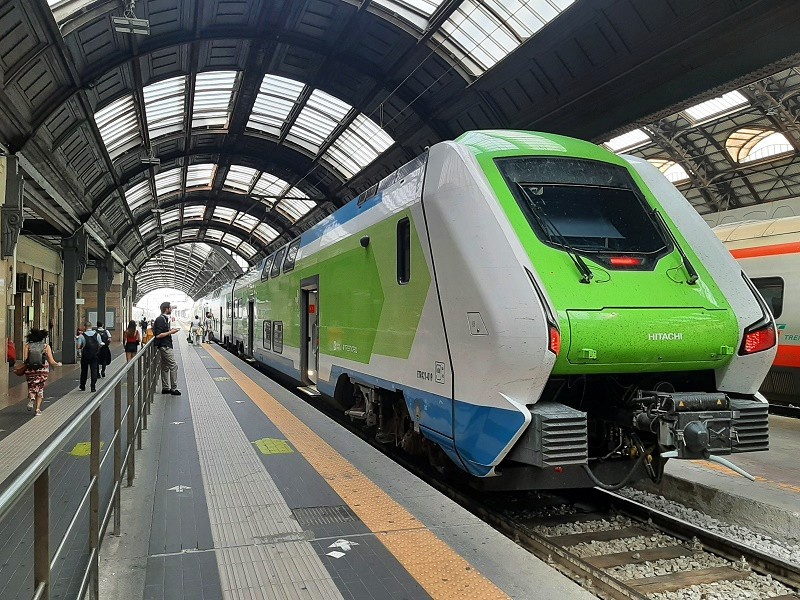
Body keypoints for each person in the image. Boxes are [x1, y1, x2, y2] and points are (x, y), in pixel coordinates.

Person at [23, 329, 62, 415]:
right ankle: (37, 410)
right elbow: (51, 361)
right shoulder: (46, 346)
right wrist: (57, 364)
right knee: (40, 387)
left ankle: (32, 397)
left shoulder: (27, 346)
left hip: (30, 369)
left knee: (31, 385)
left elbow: (25, 359)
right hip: (43, 369)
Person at [153, 302, 181, 395]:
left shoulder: (164, 318)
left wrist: (170, 331)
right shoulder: (161, 319)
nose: (171, 309)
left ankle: (165, 388)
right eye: (170, 308)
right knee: (174, 365)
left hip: (165, 345)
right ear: (166, 309)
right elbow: (158, 335)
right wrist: (171, 332)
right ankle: (174, 389)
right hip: (165, 346)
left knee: (165, 367)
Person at [77, 321, 103, 392]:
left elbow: (78, 346)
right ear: (91, 327)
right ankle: (93, 387)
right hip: (94, 355)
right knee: (94, 370)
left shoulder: (82, 336)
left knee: (84, 371)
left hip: (85, 355)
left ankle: (82, 386)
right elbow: (100, 344)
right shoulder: (97, 335)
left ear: (85, 327)